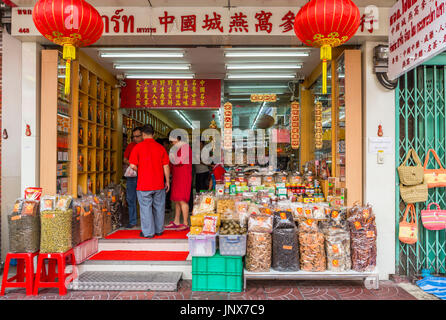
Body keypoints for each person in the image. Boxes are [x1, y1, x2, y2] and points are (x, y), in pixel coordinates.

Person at [129, 125, 170, 238]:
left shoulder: (137, 147)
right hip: (158, 183)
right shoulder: (160, 148)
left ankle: (148, 232)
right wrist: (167, 181)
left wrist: (140, 170)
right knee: (159, 207)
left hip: (143, 184)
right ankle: (159, 230)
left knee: (145, 208)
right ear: (153, 134)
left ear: (142, 134)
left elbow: (132, 165)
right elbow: (166, 165)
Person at [165, 135, 192, 231]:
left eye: (172, 141)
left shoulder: (185, 147)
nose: (172, 143)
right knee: (176, 200)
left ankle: (185, 223)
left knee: (182, 199)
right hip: (177, 176)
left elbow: (179, 161)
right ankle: (176, 221)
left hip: (184, 176)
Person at [123, 127, 143, 228]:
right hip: (132, 175)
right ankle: (133, 221)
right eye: (134, 137)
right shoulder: (131, 145)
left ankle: (146, 222)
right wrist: (132, 163)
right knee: (131, 198)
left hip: (144, 175)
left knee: (145, 199)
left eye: (137, 136)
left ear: (143, 135)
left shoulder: (145, 146)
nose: (135, 138)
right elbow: (125, 159)